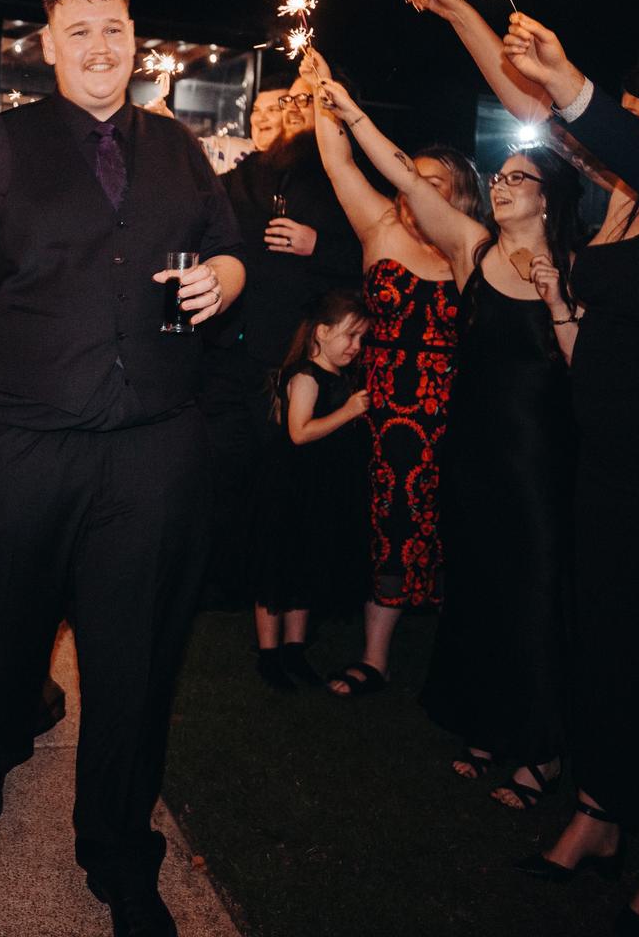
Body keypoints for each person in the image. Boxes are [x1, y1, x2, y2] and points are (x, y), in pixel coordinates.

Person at [0, 0, 245, 936]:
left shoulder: (177, 147)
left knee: (136, 661)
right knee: (2, 630)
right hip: (16, 445)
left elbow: (229, 246)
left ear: (137, 41)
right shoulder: (1, 147)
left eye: (115, 31)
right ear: (50, 44)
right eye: (80, 31)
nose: (100, 48)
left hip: (152, 450)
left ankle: (121, 854)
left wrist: (224, 273)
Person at [479, 0, 639, 929]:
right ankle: (598, 814)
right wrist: (557, 297)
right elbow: (533, 101)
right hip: (602, 458)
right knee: (600, 645)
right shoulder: (619, 201)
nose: (623, 128)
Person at [316, 58, 580, 805]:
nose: (502, 183)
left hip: (537, 456)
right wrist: (348, 109)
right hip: (471, 446)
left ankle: (542, 751)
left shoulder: (575, 265)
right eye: (499, 175)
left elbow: (584, 369)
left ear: (549, 197)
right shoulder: (475, 248)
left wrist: (559, 296)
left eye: (519, 178)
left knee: (533, 594)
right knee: (483, 590)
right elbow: (403, 179)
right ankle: (489, 721)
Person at [302, 46, 481, 697]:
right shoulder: (381, 227)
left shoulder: (472, 247)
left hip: (454, 411)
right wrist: (325, 91)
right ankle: (374, 657)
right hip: (381, 409)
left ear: (461, 196)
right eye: (413, 177)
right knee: (383, 524)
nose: (416, 189)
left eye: (433, 183)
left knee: (451, 527)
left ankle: (461, 653)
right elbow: (337, 158)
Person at [200, 75, 360, 610]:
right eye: (289, 100)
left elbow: (373, 257)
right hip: (233, 353)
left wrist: (319, 245)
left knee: (284, 485)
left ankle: (280, 592)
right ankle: (222, 582)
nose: (293, 109)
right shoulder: (253, 173)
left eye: (305, 100)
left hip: (299, 361)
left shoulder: (343, 182)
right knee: (225, 470)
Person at [249, 289, 370, 689]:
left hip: (318, 489)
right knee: (277, 566)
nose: (356, 346)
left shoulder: (341, 376)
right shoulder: (305, 375)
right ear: (322, 332)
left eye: (360, 339)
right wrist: (349, 411)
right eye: (350, 336)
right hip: (289, 488)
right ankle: (268, 656)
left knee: (303, 564)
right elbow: (299, 433)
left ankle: (294, 650)